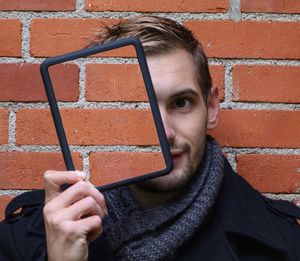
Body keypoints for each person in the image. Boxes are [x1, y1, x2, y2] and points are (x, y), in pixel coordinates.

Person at [1, 15, 300, 261]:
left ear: (210, 108)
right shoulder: (25, 241)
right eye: (140, 108)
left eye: (181, 103)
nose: (165, 133)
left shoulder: (285, 245)